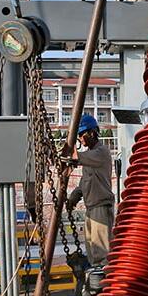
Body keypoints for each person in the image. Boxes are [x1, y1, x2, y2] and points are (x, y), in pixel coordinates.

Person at [66, 114, 115, 266]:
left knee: (101, 254)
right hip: (91, 208)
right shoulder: (90, 157)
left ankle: (103, 279)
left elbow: (77, 157)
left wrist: (67, 151)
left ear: (92, 133)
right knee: (93, 253)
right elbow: (84, 182)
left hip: (101, 207)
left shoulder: (101, 152)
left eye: (82, 134)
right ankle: (95, 277)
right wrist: (74, 197)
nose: (80, 138)